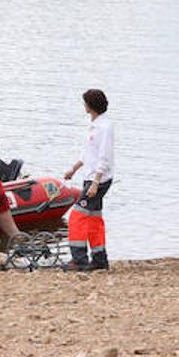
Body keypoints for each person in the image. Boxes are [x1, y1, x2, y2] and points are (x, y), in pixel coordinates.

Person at [62, 88, 114, 271]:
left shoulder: (105, 127)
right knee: (94, 219)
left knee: (77, 217)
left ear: (90, 105)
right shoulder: (94, 126)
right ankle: (100, 260)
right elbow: (88, 154)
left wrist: (95, 183)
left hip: (98, 179)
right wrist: (73, 169)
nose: (83, 105)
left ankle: (79, 259)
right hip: (90, 177)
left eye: (85, 102)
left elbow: (104, 157)